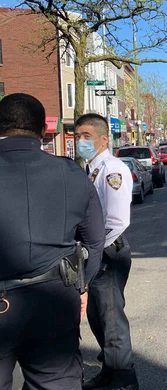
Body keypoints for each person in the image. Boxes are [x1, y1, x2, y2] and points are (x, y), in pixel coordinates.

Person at [0, 93, 105, 390]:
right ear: (45, 132)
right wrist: (82, 286)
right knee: (56, 382)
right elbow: (95, 242)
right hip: (53, 299)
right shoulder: (71, 172)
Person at [74, 114, 139, 390]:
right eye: (78, 136)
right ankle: (110, 369)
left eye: (86, 136)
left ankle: (123, 378)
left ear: (103, 140)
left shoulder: (112, 169)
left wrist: (94, 251)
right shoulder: (93, 169)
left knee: (111, 318)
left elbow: (117, 220)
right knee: (98, 317)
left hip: (109, 253)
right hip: (98, 252)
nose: (80, 141)